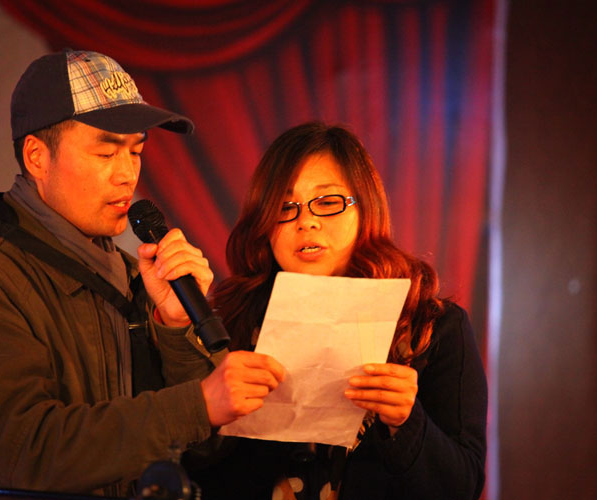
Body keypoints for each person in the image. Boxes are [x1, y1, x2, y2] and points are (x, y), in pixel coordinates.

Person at [0, 49, 284, 496]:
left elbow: (200, 452)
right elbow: (28, 449)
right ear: (37, 157)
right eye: (106, 152)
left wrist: (175, 328)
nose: (127, 175)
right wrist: (198, 404)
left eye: (137, 151)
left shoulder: (135, 276)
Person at [186, 122, 488, 499]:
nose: (306, 221)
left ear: (366, 208)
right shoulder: (229, 327)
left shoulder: (431, 327)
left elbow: (463, 486)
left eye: (328, 202)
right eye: (284, 207)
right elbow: (195, 479)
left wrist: (406, 422)